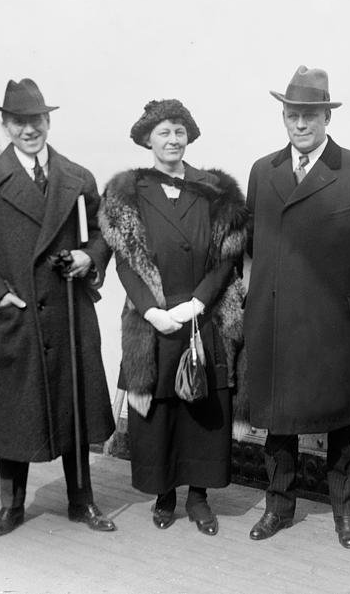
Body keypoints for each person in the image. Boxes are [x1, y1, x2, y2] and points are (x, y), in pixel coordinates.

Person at [0, 78, 116, 536]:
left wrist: (89, 257)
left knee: (75, 410)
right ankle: (11, 506)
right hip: (17, 316)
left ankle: (83, 501)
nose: (28, 130)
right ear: (5, 124)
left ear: (48, 121)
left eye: (36, 120)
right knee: (16, 415)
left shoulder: (78, 178)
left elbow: (100, 235)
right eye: (19, 121)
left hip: (67, 314)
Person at [244, 66, 350, 549]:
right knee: (279, 420)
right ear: (283, 117)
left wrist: (337, 287)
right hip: (278, 317)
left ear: (327, 116)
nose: (300, 124)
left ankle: (345, 514)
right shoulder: (263, 172)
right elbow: (256, 241)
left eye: (310, 115)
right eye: (292, 114)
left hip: (335, 320)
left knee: (341, 420)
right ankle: (277, 508)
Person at [99, 99, 248, 537]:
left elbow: (227, 257)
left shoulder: (215, 191)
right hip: (153, 321)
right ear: (147, 140)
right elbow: (125, 260)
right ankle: (165, 495)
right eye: (163, 132)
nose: (173, 139)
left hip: (205, 316)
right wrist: (151, 310)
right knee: (160, 407)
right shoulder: (128, 193)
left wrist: (198, 303)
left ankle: (199, 498)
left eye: (180, 131)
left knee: (203, 405)